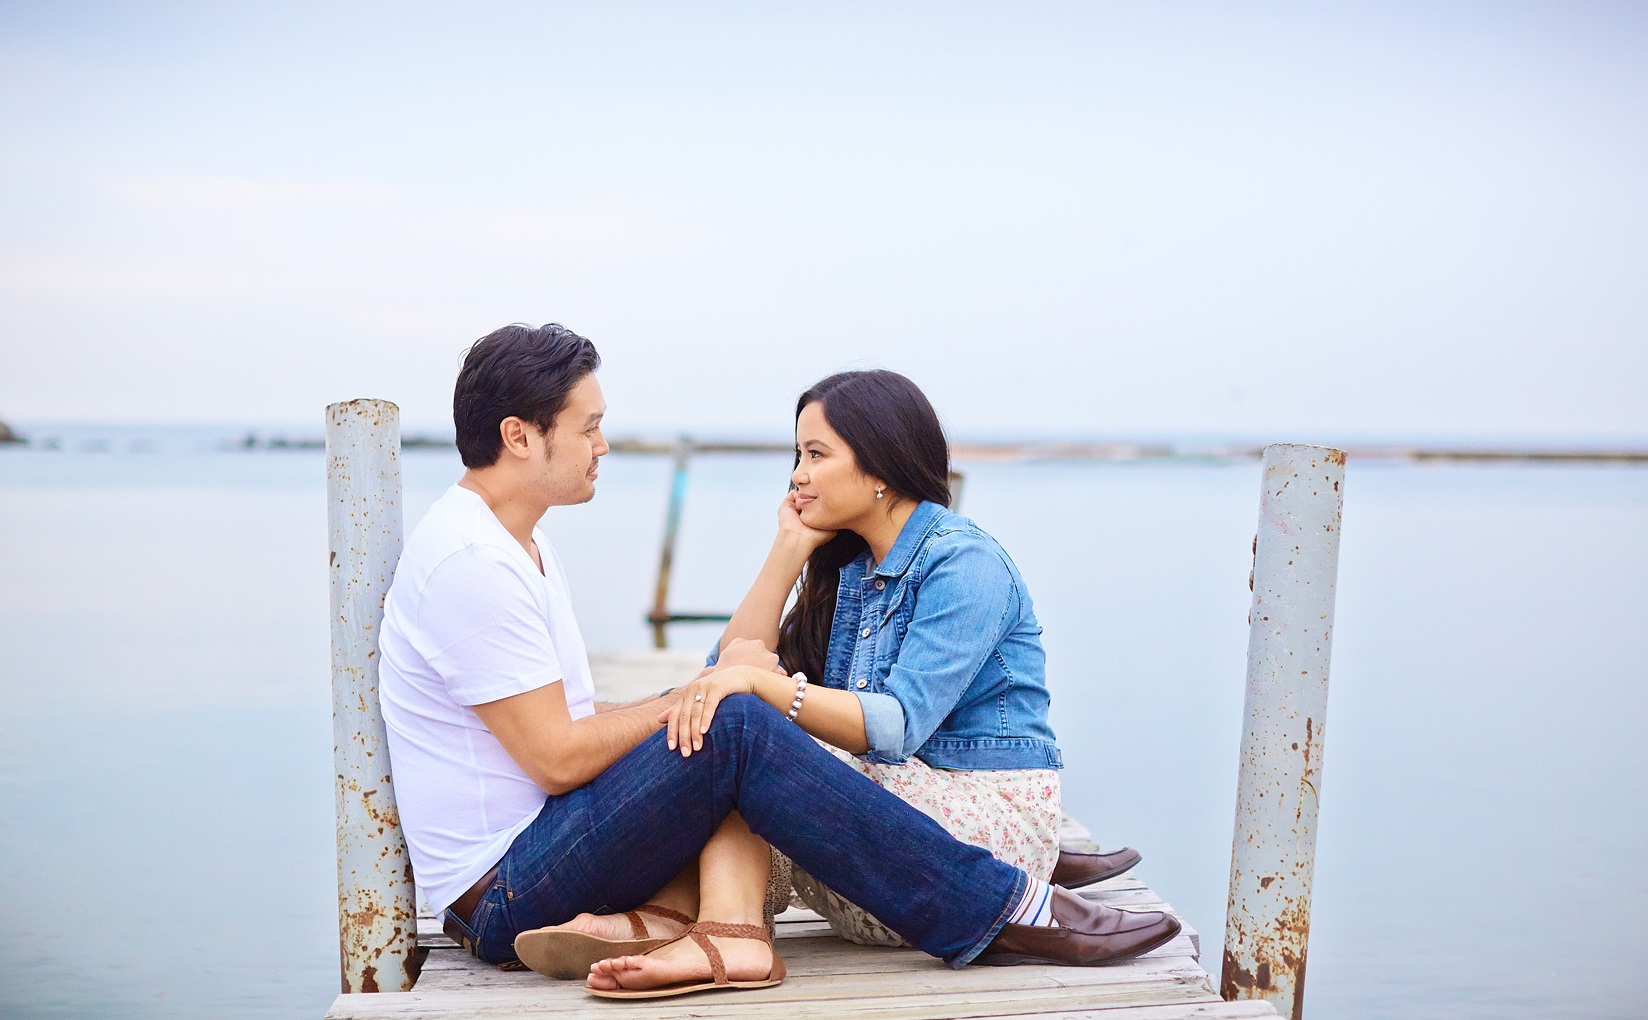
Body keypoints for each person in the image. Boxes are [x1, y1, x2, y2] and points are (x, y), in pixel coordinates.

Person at [378, 323, 1181, 1000]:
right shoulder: (471, 563)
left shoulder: (519, 545)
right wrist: (702, 696)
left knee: (728, 712)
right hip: (505, 891)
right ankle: (998, 906)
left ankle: (692, 923)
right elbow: (557, 756)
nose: (604, 443)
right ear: (520, 436)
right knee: (727, 717)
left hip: (536, 851)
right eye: (587, 426)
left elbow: (745, 670)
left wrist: (719, 679)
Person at [666, 368, 1134, 948]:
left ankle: (699, 924)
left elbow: (897, 725)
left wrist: (766, 691)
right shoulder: (850, 571)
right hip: (877, 865)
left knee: (748, 736)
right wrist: (787, 551)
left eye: (816, 454)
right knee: (709, 724)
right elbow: (724, 668)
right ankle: (696, 920)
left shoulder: (964, 563)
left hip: (978, 846)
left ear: (880, 464)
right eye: (797, 454)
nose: (798, 475)